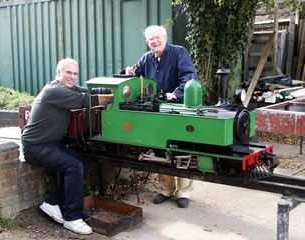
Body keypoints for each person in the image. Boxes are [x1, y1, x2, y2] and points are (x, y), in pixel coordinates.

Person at [21, 58, 113, 235]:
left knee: (84, 163)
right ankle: (72, 218)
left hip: (52, 144)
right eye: (68, 72)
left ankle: (52, 202)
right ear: (58, 73)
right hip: (35, 147)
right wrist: (115, 97)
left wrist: (117, 89)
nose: (72, 77)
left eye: (75, 73)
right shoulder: (54, 90)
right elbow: (84, 100)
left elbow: (89, 91)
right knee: (74, 166)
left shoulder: (66, 88)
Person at [125, 25, 198, 208]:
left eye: (157, 37)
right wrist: (129, 74)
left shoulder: (179, 52)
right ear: (147, 42)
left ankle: (184, 192)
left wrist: (176, 94)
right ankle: (166, 189)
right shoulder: (145, 58)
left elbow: (189, 77)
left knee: (181, 148)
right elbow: (137, 79)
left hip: (177, 107)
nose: (155, 41)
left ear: (165, 38)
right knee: (160, 149)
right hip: (156, 111)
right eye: (151, 39)